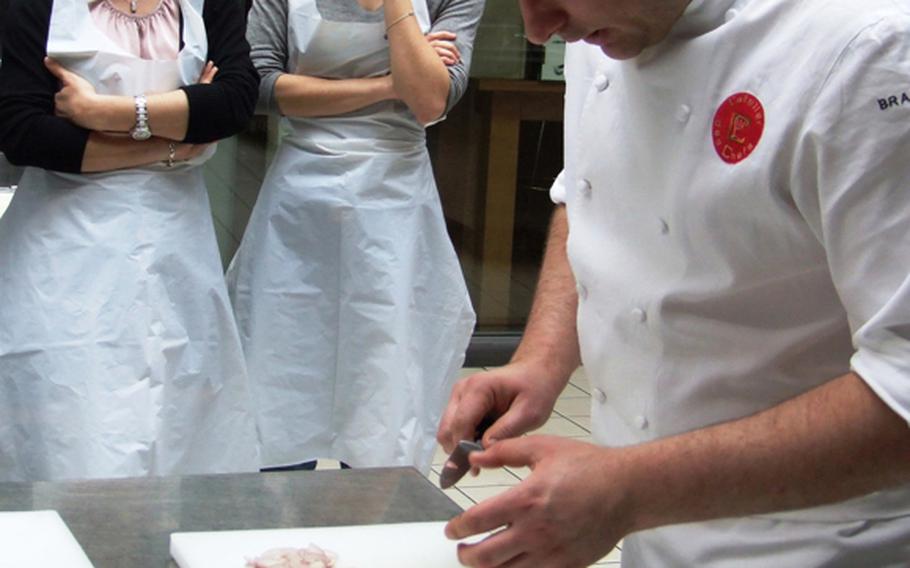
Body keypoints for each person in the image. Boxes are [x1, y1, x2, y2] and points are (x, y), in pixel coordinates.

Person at [437, 0, 910, 566]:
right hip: (655, 527)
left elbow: (901, 385)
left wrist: (628, 488)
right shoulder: (605, 32)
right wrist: (540, 360)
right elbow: (588, 191)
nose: (539, 30)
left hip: (824, 540)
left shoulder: (872, 50)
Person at [0, 0, 261, 481]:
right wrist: (170, 144)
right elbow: (23, 131)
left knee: (181, 432)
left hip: (177, 250)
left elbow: (233, 103)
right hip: (63, 255)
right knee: (74, 439)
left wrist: (103, 112)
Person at [226, 0, 482, 473]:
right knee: (280, 372)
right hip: (300, 200)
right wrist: (390, 83)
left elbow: (430, 100)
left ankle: (369, 530)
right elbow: (263, 89)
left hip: (397, 200)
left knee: (383, 383)